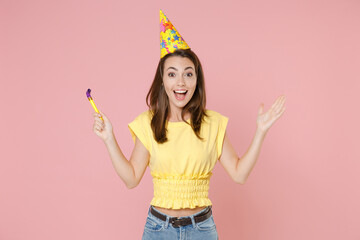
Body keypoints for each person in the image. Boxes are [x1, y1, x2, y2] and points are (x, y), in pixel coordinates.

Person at [91, 10, 286, 240]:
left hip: (201, 229)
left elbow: (239, 174)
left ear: (197, 80)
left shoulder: (212, 123)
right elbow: (131, 178)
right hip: (158, 230)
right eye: (172, 74)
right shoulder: (149, 123)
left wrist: (261, 132)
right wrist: (109, 140)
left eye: (188, 74)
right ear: (162, 81)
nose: (181, 82)